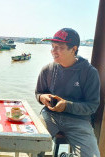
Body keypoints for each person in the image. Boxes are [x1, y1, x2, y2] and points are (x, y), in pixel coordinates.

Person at [35, 28, 100, 157]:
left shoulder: (89, 73)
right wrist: (42, 97)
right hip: (50, 116)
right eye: (53, 47)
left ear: (74, 49)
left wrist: (66, 105)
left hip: (79, 120)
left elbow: (92, 106)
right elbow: (38, 93)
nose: (53, 51)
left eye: (59, 47)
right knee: (33, 144)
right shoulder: (47, 69)